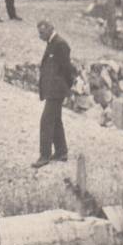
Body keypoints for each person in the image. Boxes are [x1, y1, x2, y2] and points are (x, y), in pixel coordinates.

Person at [32, 20, 76, 168]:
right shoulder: (53, 43)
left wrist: (65, 86)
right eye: (39, 33)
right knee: (56, 120)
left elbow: (67, 69)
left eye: (42, 33)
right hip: (53, 89)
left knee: (46, 121)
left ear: (50, 29)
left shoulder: (60, 44)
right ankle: (61, 151)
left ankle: (44, 156)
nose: (40, 36)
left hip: (56, 90)